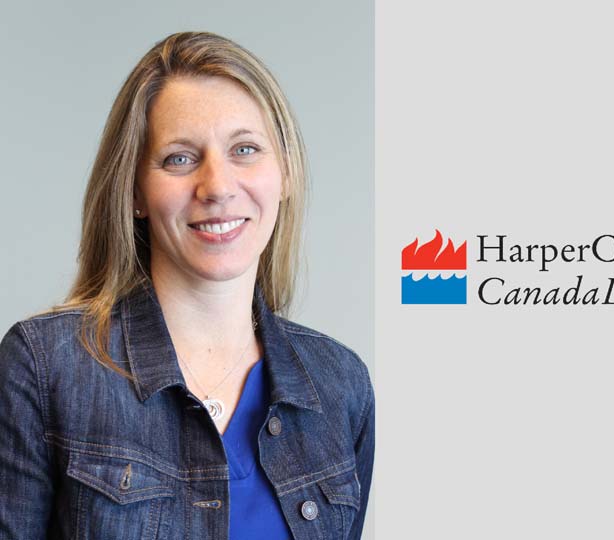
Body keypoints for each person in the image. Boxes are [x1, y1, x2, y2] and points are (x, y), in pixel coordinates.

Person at [0, 31, 374, 540]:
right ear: (135, 190)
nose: (217, 186)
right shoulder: (45, 368)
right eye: (179, 158)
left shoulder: (340, 385)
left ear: (284, 174)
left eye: (245, 149)